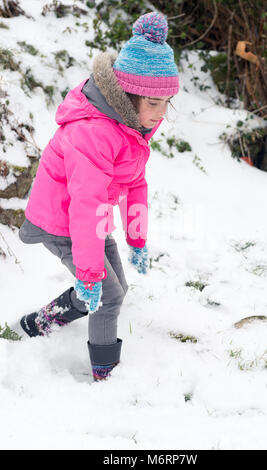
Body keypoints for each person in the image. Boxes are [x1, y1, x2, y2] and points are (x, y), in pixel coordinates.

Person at [14, 11, 179, 381]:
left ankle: (34, 325)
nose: (161, 113)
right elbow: (85, 204)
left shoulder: (130, 126)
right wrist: (89, 274)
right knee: (109, 295)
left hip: (90, 221)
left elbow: (135, 184)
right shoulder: (94, 133)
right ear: (128, 95)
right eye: (154, 104)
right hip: (61, 223)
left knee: (114, 286)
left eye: (166, 102)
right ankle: (106, 376)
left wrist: (136, 239)